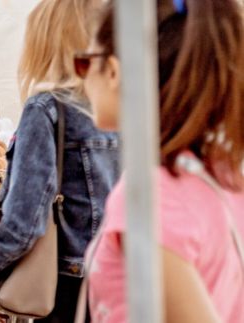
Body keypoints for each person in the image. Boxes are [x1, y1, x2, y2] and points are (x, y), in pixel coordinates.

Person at [0, 0, 120, 322]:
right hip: (116, 281)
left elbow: (22, 226)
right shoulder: (123, 107)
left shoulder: (47, 109)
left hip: (67, 288)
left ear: (45, 40)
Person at [79, 0, 244, 321]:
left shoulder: (150, 196)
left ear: (113, 71)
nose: (82, 79)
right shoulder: (223, 174)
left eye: (84, 63)